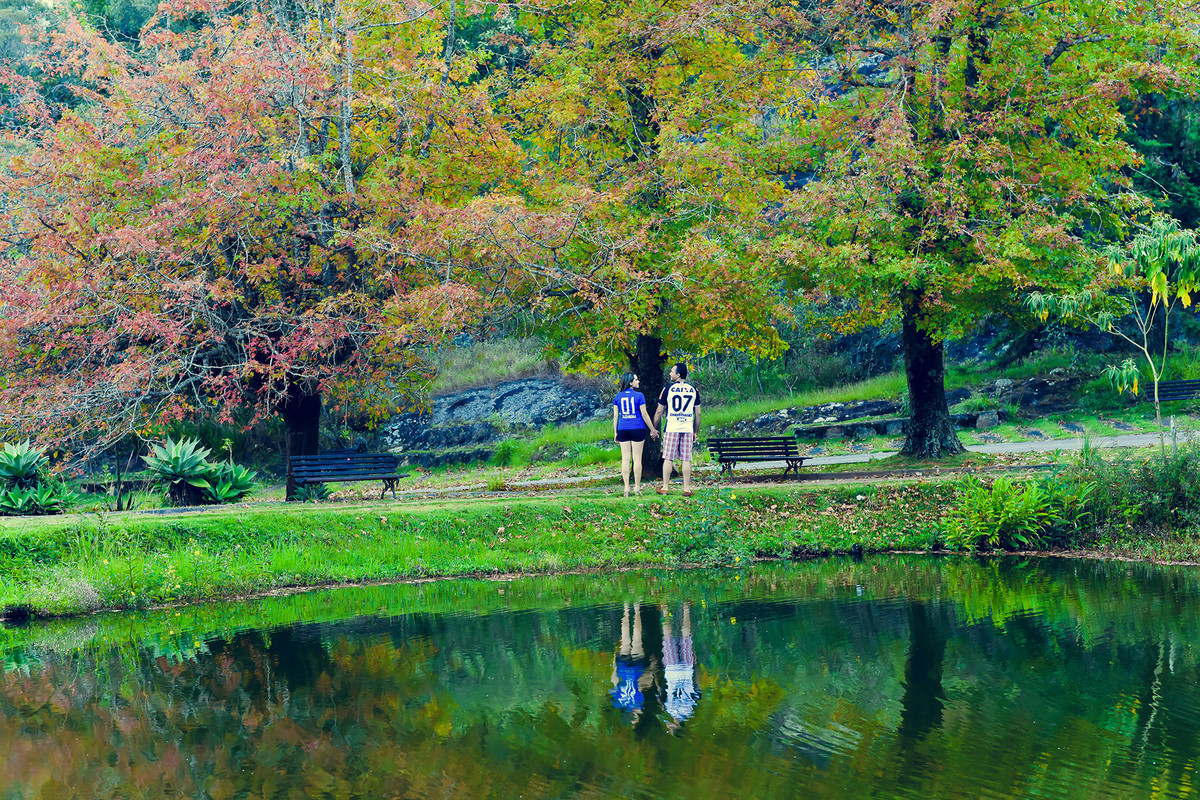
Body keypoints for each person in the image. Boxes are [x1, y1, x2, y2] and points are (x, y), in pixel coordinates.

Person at [653, 362, 700, 496]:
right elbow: (698, 413)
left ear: (678, 375)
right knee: (686, 459)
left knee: (668, 458)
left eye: (672, 371)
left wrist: (654, 428)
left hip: (672, 427)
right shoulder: (693, 390)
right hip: (687, 427)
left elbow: (659, 412)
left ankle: (665, 487)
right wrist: (695, 431)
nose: (670, 374)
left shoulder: (667, 389)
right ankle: (686, 488)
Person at [613, 372, 659, 496]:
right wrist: (652, 429)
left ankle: (626, 488)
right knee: (637, 458)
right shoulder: (639, 396)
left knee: (625, 458)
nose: (638, 381)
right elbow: (644, 414)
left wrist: (615, 432)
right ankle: (637, 487)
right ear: (630, 382)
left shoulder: (617, 397)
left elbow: (616, 416)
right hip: (637, 428)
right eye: (636, 380)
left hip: (623, 428)